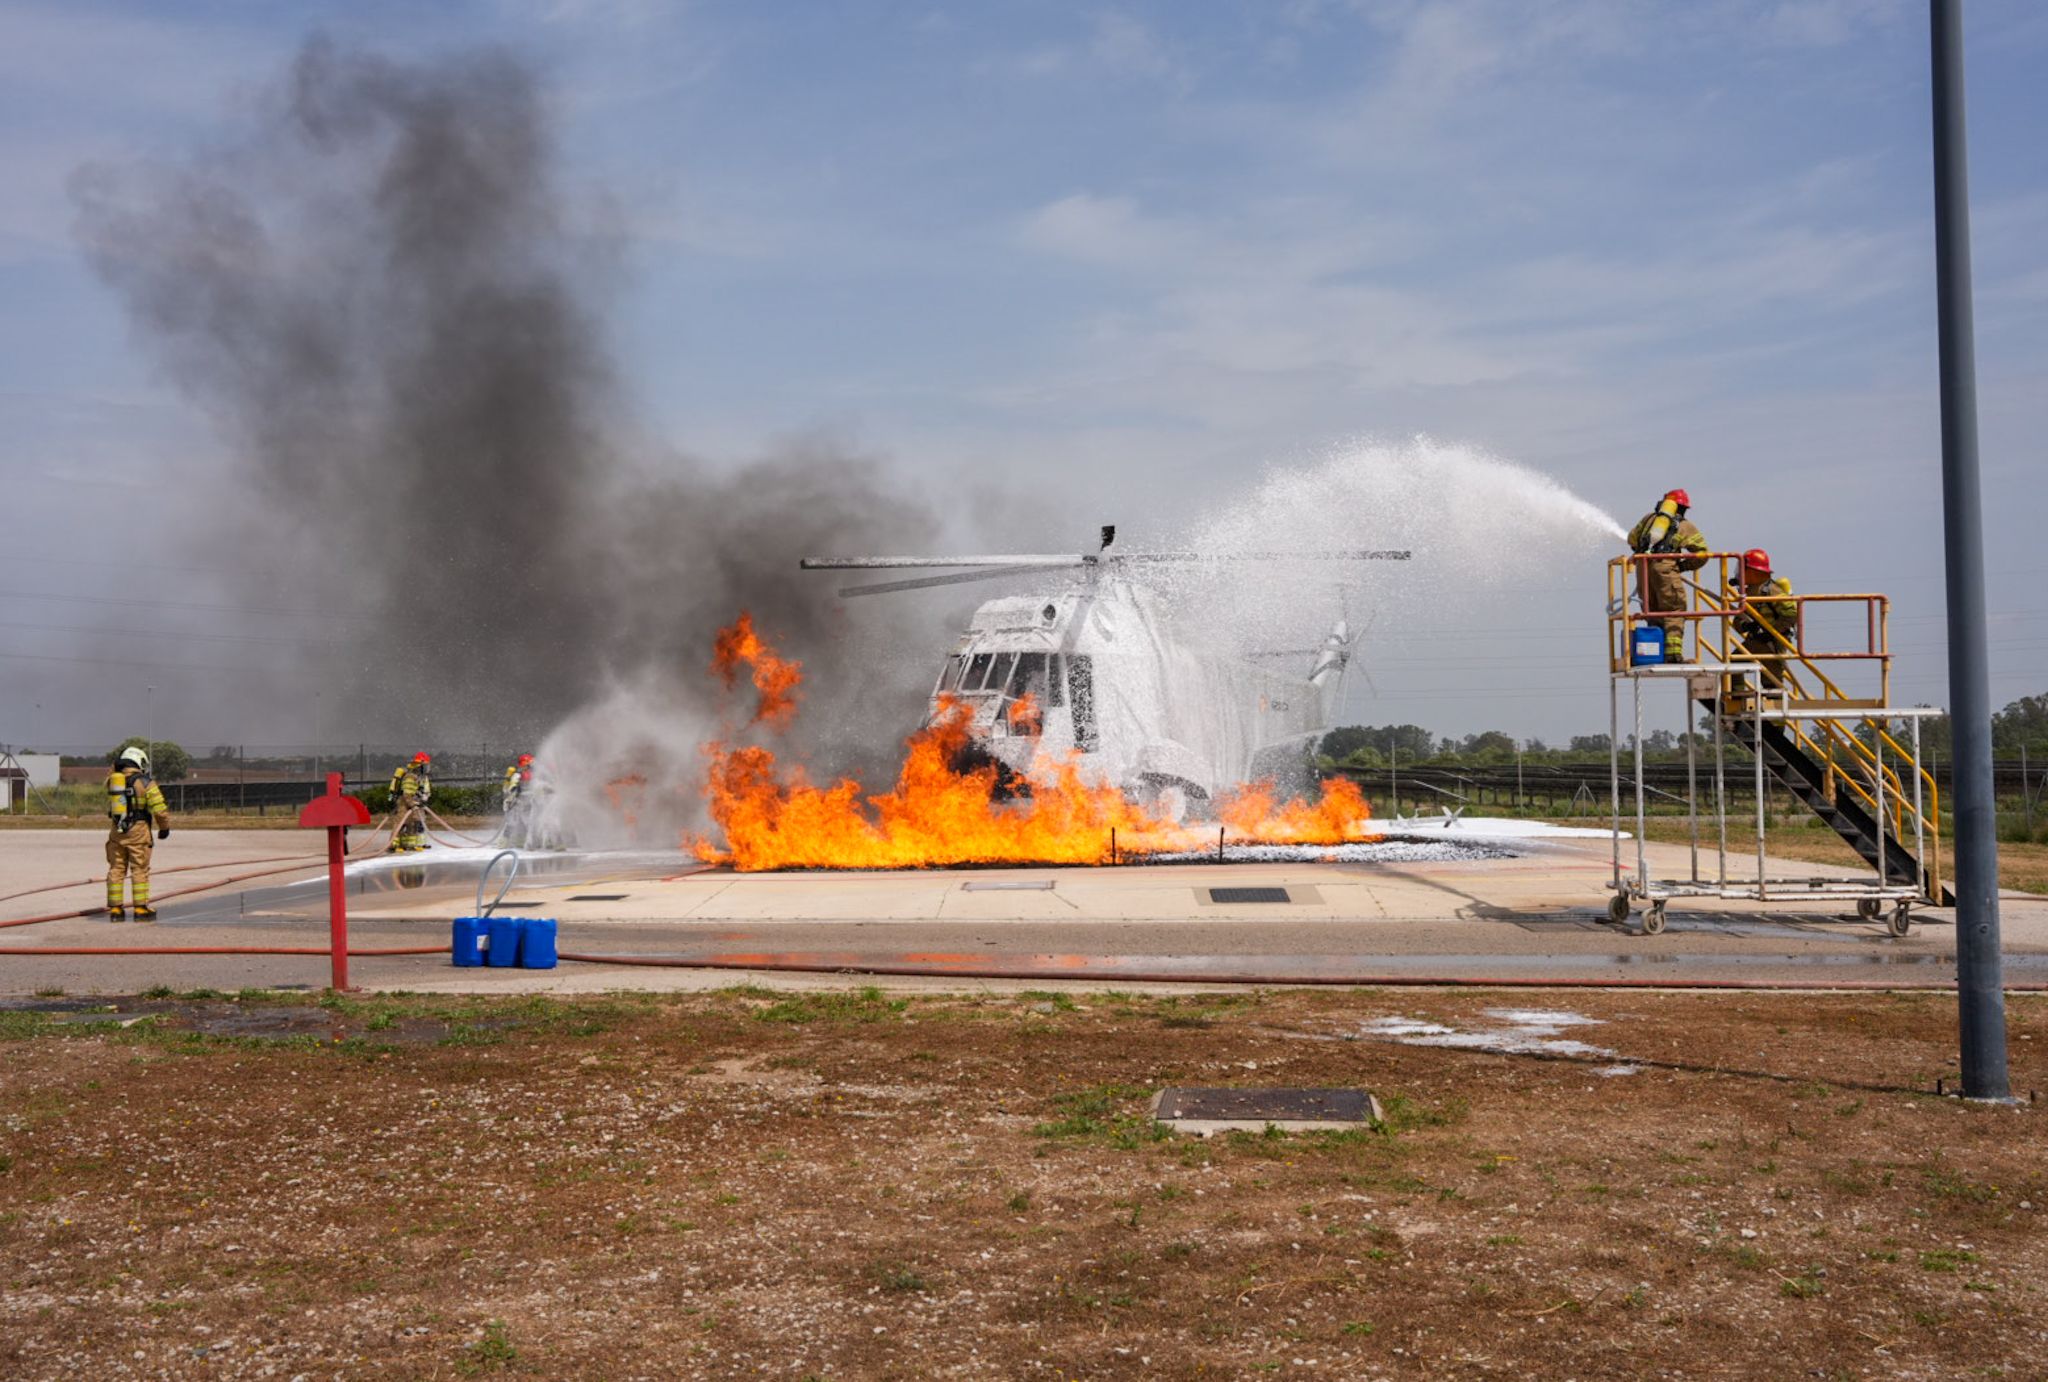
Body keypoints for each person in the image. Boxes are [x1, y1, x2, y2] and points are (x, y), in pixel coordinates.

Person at [1626, 488, 1709, 662]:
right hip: (1665, 568)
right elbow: (1702, 554)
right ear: (1682, 508)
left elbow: (1632, 540)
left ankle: (1654, 654)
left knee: (1652, 611)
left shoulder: (1648, 519)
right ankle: (1672, 655)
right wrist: (1682, 566)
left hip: (1643, 568)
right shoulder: (1684, 525)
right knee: (1674, 609)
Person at [105, 744, 170, 921]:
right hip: (138, 833)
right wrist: (164, 828)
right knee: (139, 869)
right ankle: (140, 909)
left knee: (116, 869)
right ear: (138, 761)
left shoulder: (112, 780)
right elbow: (160, 810)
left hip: (117, 832)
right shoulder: (146, 782)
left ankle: (116, 910)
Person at [1732, 548, 1800, 689]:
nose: (1741, 573)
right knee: (1733, 665)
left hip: (1772, 643)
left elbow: (1791, 614)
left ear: (1755, 571)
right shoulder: (1748, 593)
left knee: (1771, 679)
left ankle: (1776, 706)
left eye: (1744, 569)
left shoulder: (1771, 590)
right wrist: (1746, 626)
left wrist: (1771, 633)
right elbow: (1737, 620)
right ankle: (1737, 698)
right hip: (1756, 641)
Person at [387, 751, 433, 853]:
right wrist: (412, 804)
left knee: (413, 823)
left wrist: (422, 799)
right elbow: (406, 794)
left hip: (413, 804)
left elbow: (419, 791)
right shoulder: (410, 777)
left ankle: (410, 844)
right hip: (404, 804)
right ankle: (394, 845)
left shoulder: (419, 777)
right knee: (400, 824)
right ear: (419, 766)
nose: (426, 769)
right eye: (425, 766)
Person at [501, 753, 535, 845]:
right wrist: (514, 791)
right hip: (515, 803)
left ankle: (521, 841)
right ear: (525, 764)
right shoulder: (517, 775)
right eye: (529, 764)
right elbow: (512, 787)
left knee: (527, 823)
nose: (531, 766)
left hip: (526, 803)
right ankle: (504, 842)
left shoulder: (531, 775)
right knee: (512, 823)